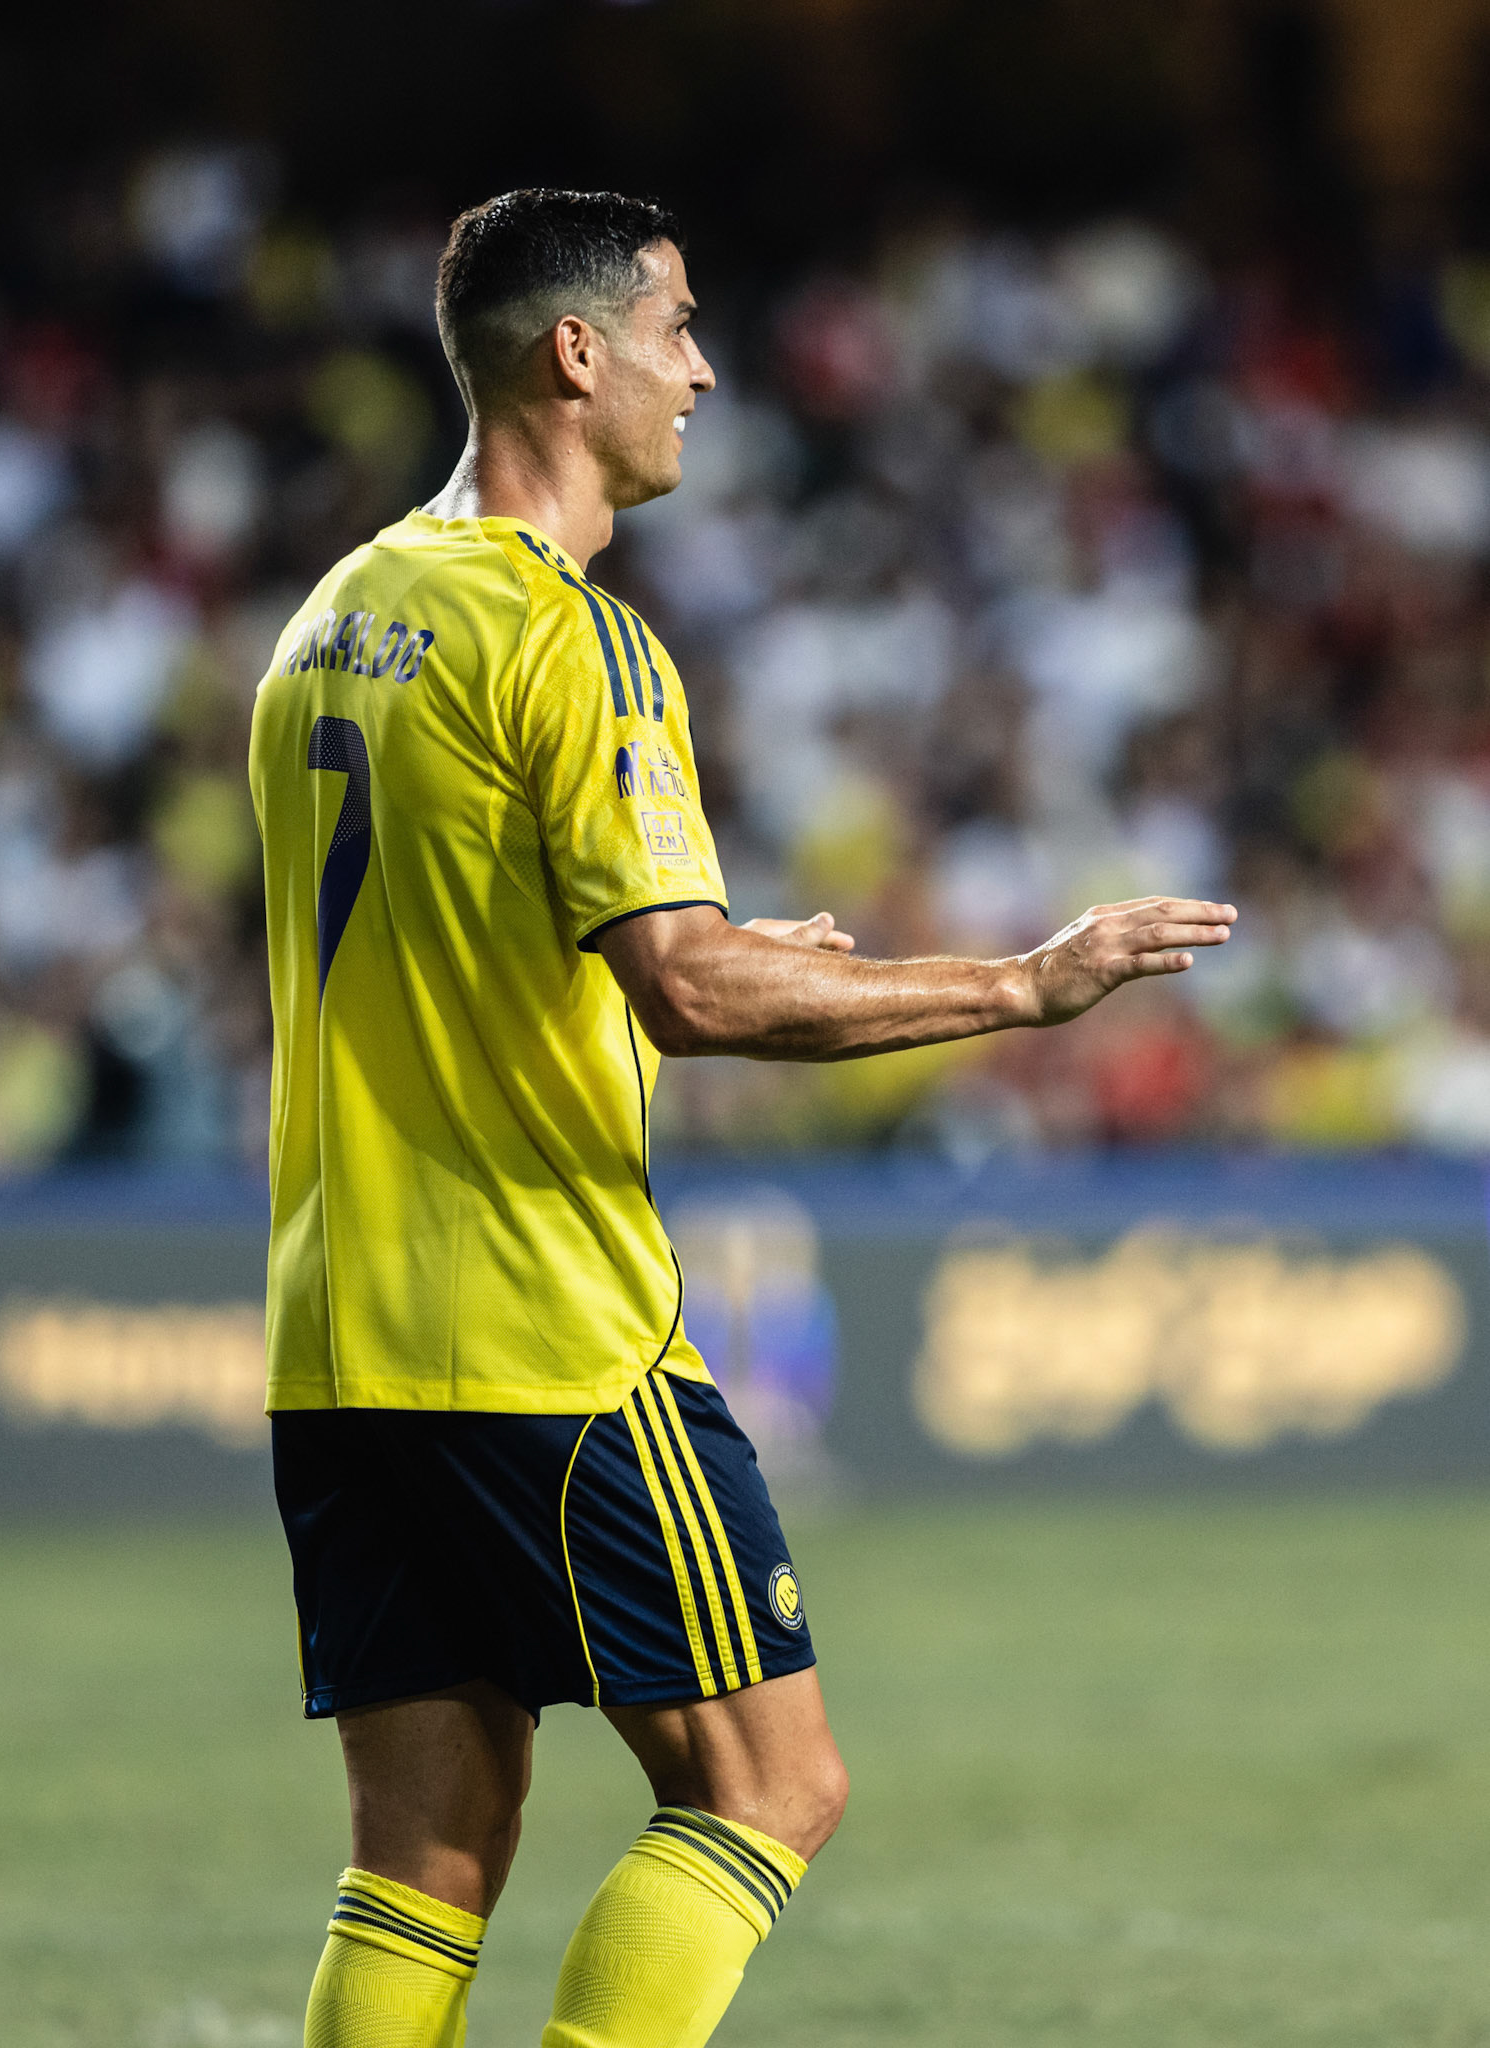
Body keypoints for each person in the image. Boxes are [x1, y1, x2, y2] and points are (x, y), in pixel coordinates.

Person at [248, 187, 1236, 2048]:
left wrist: (699, 945)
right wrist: (1019, 986)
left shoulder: (339, 614)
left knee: (424, 1853)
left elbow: (456, 948)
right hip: (541, 1327)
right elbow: (687, 993)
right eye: (677, 326)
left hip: (337, 1330)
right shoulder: (573, 638)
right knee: (768, 1788)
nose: (702, 370)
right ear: (576, 354)